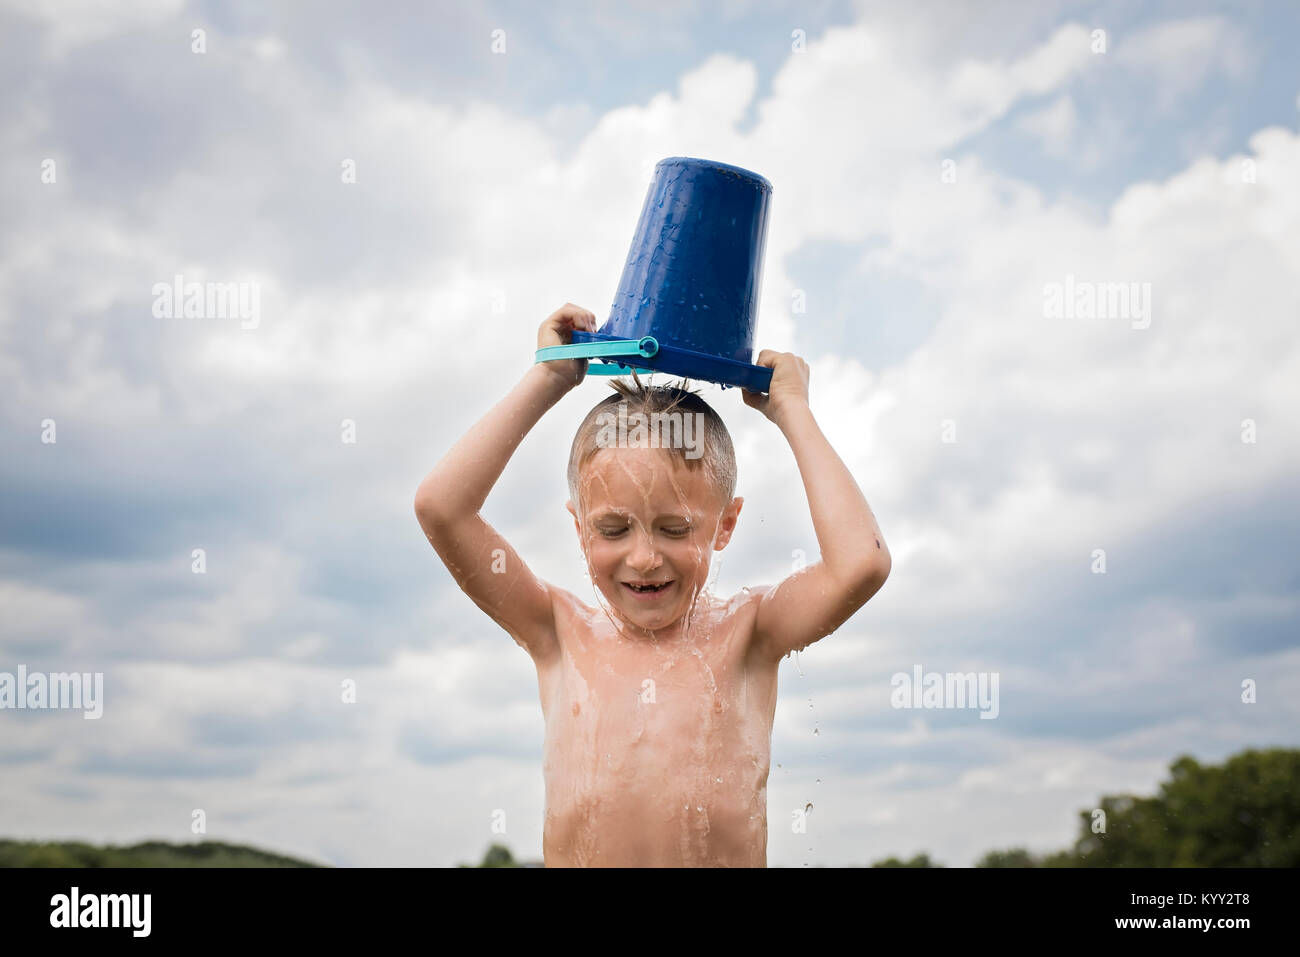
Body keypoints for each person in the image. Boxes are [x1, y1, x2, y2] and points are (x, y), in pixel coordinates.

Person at [414, 302, 891, 866]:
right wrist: (547, 376)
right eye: (613, 529)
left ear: (726, 525)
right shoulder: (556, 630)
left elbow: (861, 564)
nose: (643, 558)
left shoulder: (750, 632)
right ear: (578, 526)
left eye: (674, 529)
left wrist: (793, 411)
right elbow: (441, 508)